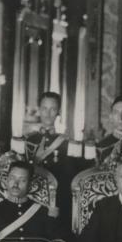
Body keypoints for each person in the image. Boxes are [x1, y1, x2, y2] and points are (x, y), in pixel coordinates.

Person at [22, 91, 78, 220]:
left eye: (53, 109)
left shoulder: (67, 142)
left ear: (58, 111)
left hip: (57, 198)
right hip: (31, 197)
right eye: (44, 108)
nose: (48, 113)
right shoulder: (27, 140)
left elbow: (71, 175)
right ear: (39, 110)